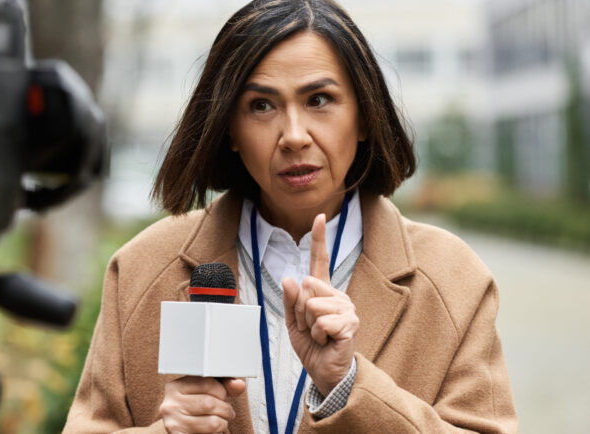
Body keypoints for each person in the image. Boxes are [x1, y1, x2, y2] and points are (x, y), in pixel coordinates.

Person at [63, 0, 518, 432]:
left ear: (364, 117)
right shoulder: (142, 269)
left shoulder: (453, 280)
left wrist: (346, 387)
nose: (294, 136)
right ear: (230, 131)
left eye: (318, 99)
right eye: (261, 106)